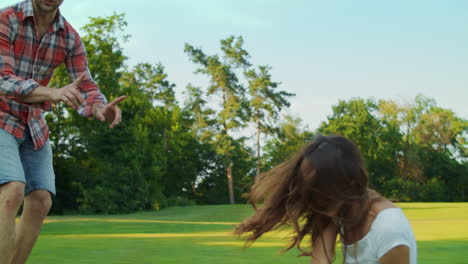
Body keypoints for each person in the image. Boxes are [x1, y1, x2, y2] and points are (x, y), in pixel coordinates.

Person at [0, 0, 126, 263]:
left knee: (41, 199)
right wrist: (51, 92)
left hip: (32, 123)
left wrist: (99, 107)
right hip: (1, 116)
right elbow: (2, 79)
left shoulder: (69, 37)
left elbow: (86, 85)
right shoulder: (7, 19)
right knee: (12, 190)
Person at [235, 135, 417, 264]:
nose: (316, 201)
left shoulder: (389, 230)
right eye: (313, 191)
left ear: (348, 182)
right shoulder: (336, 210)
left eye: (323, 190)